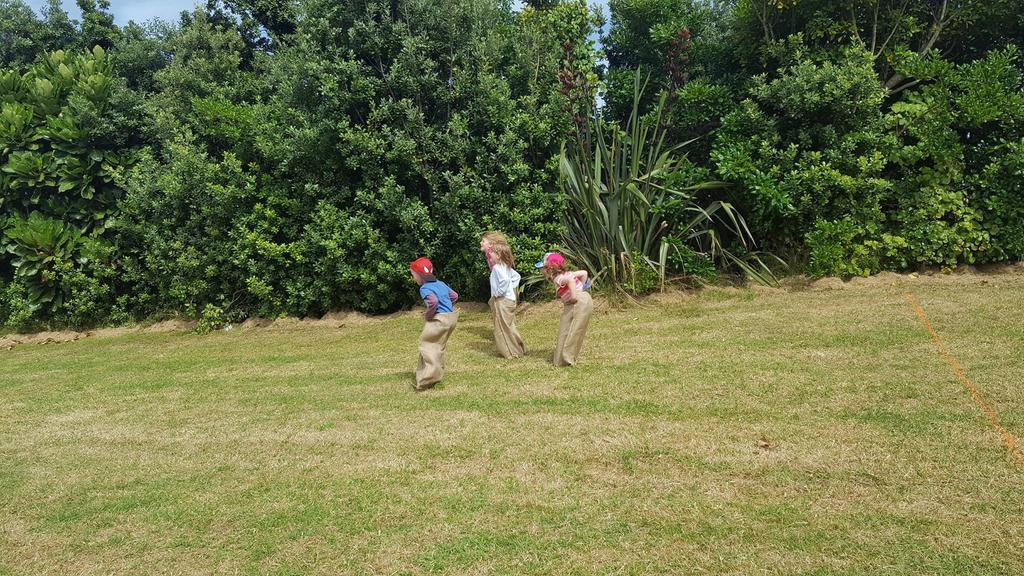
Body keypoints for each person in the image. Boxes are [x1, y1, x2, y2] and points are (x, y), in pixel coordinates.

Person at [410, 257, 459, 391]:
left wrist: (428, 315)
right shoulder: (440, 283)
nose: (413, 278)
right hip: (451, 318)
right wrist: (447, 307)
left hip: (440, 320)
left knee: (428, 346)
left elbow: (433, 302)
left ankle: (428, 380)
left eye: (413, 275)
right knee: (438, 346)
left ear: (420, 276)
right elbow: (454, 296)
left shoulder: (425, 288)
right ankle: (432, 374)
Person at [535, 252, 592, 367]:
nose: (541, 271)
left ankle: (564, 360)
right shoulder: (568, 273)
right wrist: (581, 286)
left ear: (550, 269)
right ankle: (564, 358)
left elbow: (570, 281)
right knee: (573, 329)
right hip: (584, 299)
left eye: (543, 268)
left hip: (577, 301)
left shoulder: (558, 279)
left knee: (568, 330)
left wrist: (574, 295)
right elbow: (584, 273)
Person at [480, 232, 527, 358]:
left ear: (498, 255)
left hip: (503, 300)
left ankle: (512, 352)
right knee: (509, 325)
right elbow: (516, 276)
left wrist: (499, 293)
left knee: (502, 327)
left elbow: (505, 281)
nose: (490, 255)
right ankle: (520, 347)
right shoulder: (505, 266)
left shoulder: (497, 268)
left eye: (493, 253)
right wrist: (510, 290)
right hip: (509, 299)